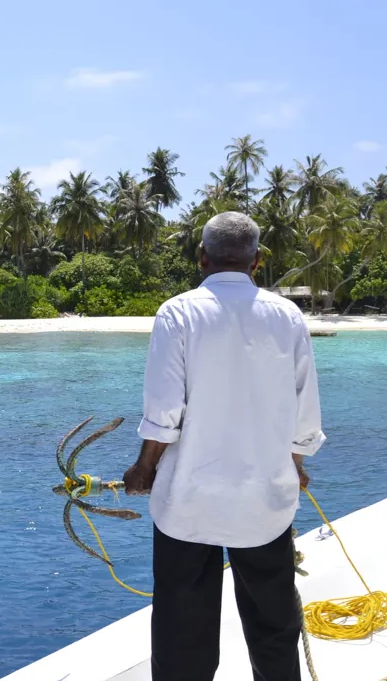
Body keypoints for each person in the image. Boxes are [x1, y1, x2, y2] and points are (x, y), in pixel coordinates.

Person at [122, 211, 325, 681]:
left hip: (188, 500)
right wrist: (294, 465)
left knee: (181, 632)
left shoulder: (178, 312)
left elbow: (165, 409)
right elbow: (304, 409)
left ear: (202, 257)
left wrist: (144, 468)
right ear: (257, 261)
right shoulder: (286, 315)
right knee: (274, 628)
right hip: (265, 500)